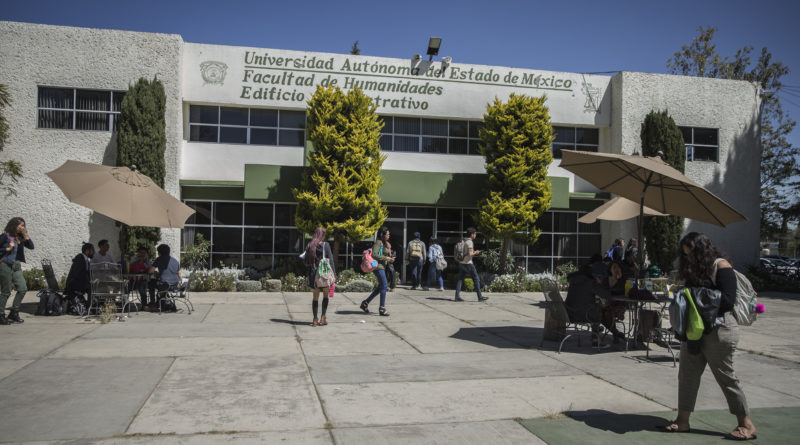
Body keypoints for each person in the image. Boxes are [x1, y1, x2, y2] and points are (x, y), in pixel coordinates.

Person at [662, 232, 756, 440]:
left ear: (703, 250)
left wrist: (695, 296)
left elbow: (728, 300)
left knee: (725, 377)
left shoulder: (721, 266)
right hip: (694, 329)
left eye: (692, 254)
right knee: (687, 374)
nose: (689, 258)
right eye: (685, 255)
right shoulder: (692, 268)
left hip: (719, 330)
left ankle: (746, 424)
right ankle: (682, 420)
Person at [0, 217, 33, 325]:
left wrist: (26, 234)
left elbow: (31, 246)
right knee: (6, 291)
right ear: (14, 225)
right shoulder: (5, 236)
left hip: (16, 265)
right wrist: (7, 249)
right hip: (5, 264)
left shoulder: (20, 237)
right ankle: (1, 314)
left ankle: (14, 312)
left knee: (22, 288)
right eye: (21, 225)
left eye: (24, 225)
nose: (23, 227)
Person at [304, 227, 335, 327]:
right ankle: (323, 317)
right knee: (325, 296)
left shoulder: (310, 245)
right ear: (323, 235)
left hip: (314, 275)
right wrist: (334, 275)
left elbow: (305, 261)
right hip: (324, 275)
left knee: (315, 298)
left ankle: (315, 319)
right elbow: (331, 260)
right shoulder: (326, 245)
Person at [360, 226, 394, 316]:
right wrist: (385, 258)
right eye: (387, 234)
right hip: (377, 267)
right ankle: (382, 308)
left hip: (382, 266)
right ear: (383, 235)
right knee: (385, 285)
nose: (389, 235)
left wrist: (389, 259)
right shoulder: (378, 242)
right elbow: (374, 254)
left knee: (380, 287)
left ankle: (365, 303)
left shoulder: (385, 243)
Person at [454, 227, 487, 302]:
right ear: (472, 234)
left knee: (460, 279)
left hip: (462, 262)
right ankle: (480, 297)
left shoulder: (464, 240)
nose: (475, 235)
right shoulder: (469, 242)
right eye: (475, 233)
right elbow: (470, 254)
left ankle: (457, 296)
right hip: (468, 263)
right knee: (476, 278)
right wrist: (476, 252)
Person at [148, 244, 181, 311]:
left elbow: (150, 271)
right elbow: (179, 274)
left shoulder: (159, 259)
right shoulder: (175, 260)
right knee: (161, 285)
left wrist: (155, 273)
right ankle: (162, 301)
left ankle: (152, 302)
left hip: (165, 285)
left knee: (151, 283)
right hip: (176, 285)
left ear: (159, 252)